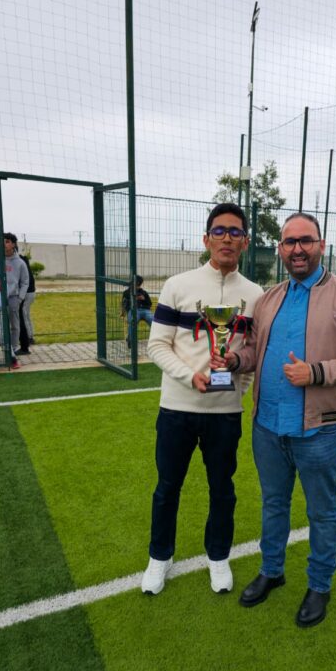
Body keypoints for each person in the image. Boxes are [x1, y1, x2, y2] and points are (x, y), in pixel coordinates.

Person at [212, 213, 336, 628]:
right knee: (273, 504)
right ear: (280, 250)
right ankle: (272, 571)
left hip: (320, 429)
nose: (297, 249)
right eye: (289, 242)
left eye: (305, 241)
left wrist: (317, 372)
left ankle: (319, 585)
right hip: (268, 427)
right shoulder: (269, 298)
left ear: (321, 245)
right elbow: (254, 350)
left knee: (322, 512)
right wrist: (234, 360)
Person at [141, 202, 263, 596]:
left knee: (222, 489)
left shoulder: (255, 295)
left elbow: (252, 354)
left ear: (245, 242)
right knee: (167, 488)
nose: (227, 238)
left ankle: (218, 556)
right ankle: (160, 557)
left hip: (225, 415)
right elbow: (157, 345)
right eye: (219, 231)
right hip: (177, 409)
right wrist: (188, 376)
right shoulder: (178, 285)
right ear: (206, 238)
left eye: (235, 232)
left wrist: (237, 392)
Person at [3, 233, 29, 369]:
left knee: (15, 326)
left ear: (13, 244)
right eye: (3, 241)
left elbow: (25, 282)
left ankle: (12, 350)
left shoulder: (20, 263)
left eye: (7, 241)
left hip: (13, 298)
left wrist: (20, 298)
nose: (4, 244)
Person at [121, 275, 153, 349]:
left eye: (139, 285)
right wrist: (123, 312)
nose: (138, 286)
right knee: (133, 321)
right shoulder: (127, 292)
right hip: (133, 310)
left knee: (153, 321)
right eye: (137, 284)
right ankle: (130, 340)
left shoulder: (143, 292)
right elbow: (124, 304)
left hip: (145, 310)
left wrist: (144, 299)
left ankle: (157, 340)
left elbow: (150, 303)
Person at [16, 251, 36, 355]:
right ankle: (30, 335)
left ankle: (29, 337)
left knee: (24, 315)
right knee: (26, 314)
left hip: (27, 292)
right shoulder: (23, 260)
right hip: (30, 292)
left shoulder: (19, 261)